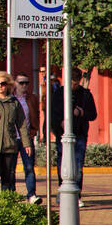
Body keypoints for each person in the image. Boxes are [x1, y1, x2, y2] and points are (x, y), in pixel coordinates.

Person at [47, 66, 96, 206]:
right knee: (63, 164)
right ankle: (62, 191)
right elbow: (52, 114)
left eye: (76, 82)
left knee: (78, 165)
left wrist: (81, 113)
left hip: (79, 134)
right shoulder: (58, 94)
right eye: (71, 82)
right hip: (62, 135)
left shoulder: (85, 94)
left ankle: (76, 194)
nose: (73, 85)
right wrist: (59, 123)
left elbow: (93, 114)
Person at [13, 73, 42, 203]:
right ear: (15, 83)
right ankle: (11, 194)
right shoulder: (10, 98)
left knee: (29, 167)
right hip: (12, 138)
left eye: (27, 83)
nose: (24, 85)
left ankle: (31, 194)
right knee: (10, 168)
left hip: (27, 138)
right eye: (21, 83)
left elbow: (36, 115)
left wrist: (36, 131)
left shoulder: (32, 99)